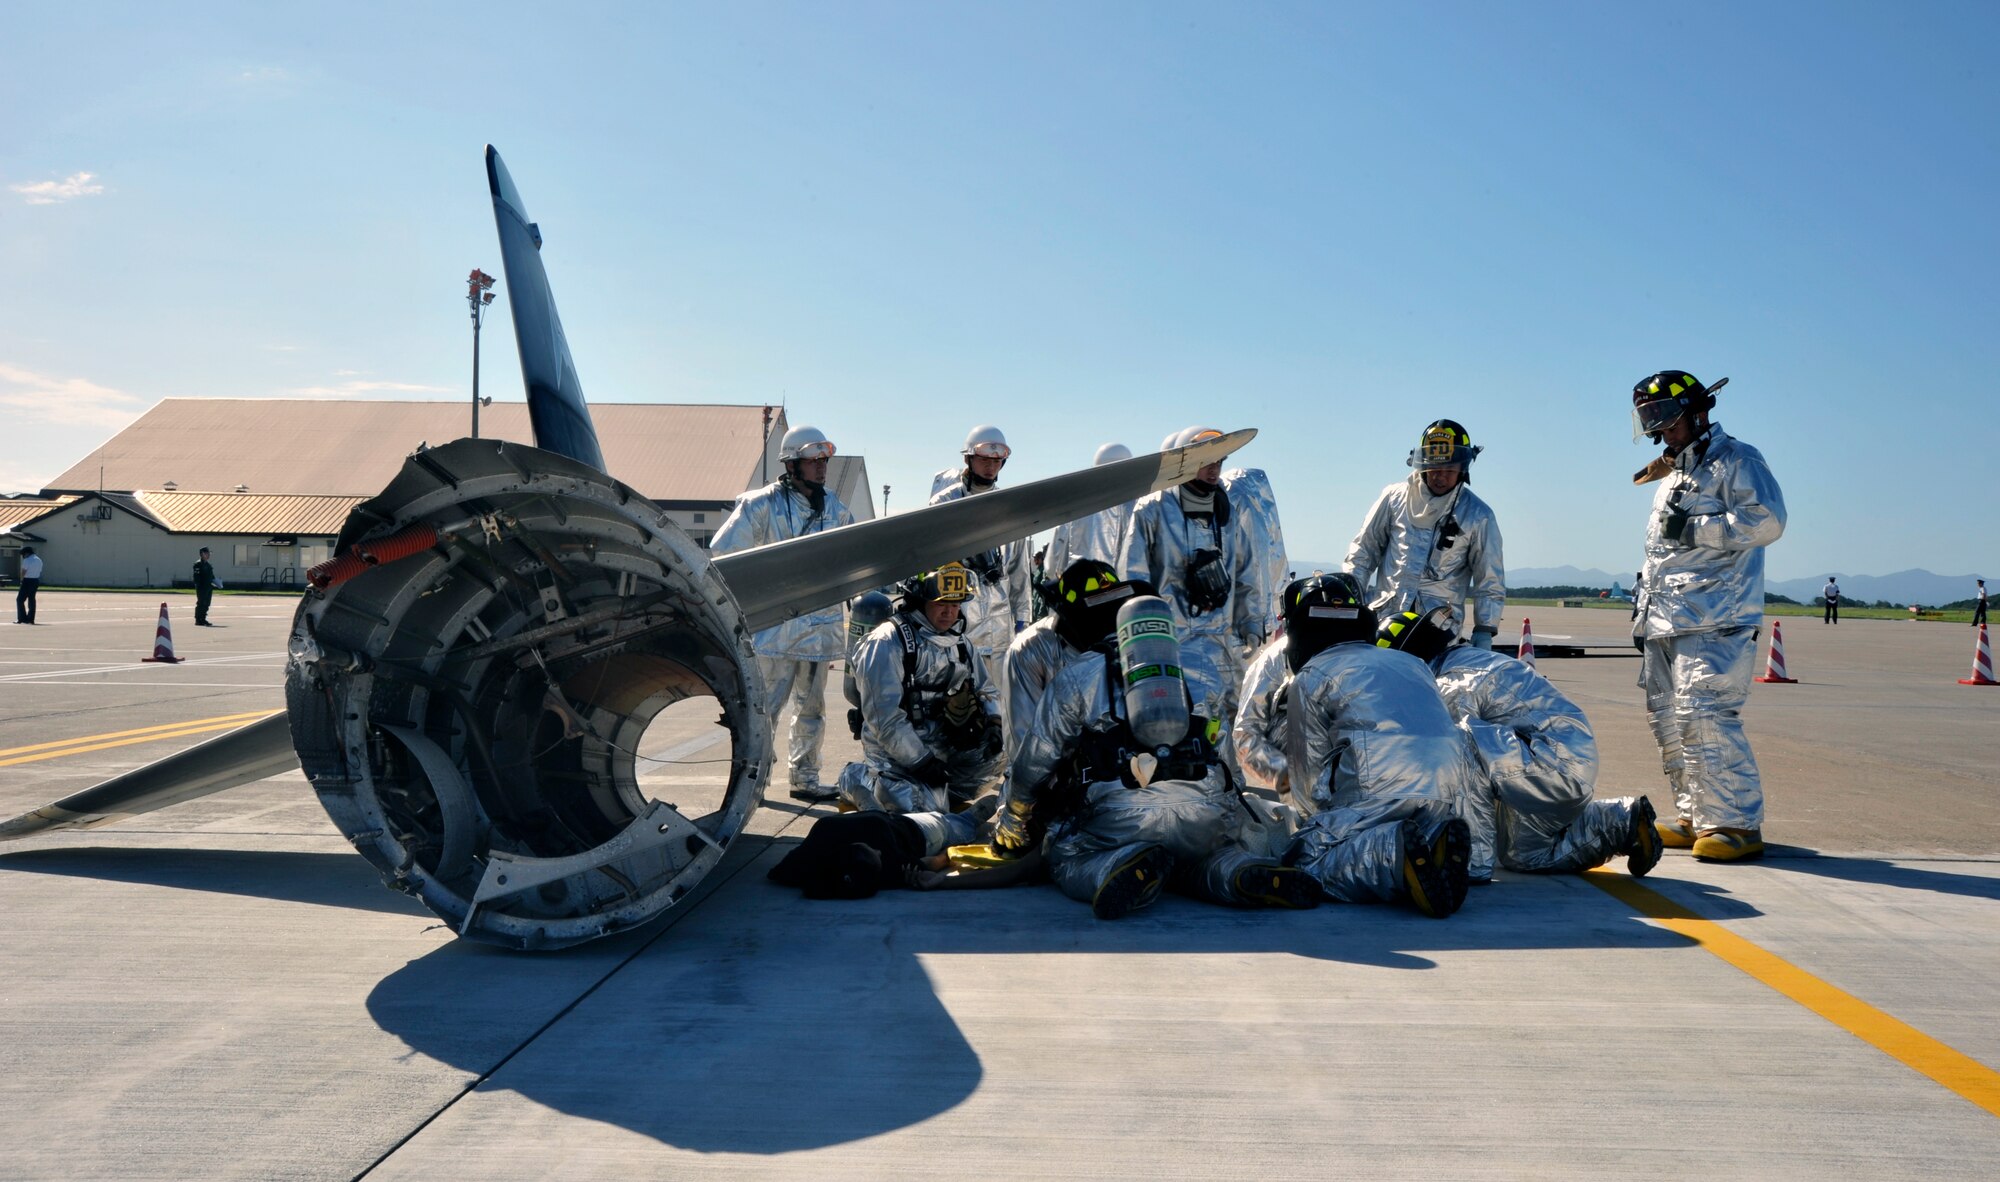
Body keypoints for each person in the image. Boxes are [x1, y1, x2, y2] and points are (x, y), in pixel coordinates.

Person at [992, 576, 1319, 919]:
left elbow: (1034, 760)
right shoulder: (1202, 670)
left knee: (1064, 857)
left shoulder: (1077, 675)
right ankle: (1237, 869)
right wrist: (1229, 823)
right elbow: (1225, 758)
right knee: (1202, 858)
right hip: (1202, 811)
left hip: (1119, 817)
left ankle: (1120, 864)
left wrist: (1014, 819)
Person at [1376, 606, 1663, 876]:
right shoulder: (1461, 661)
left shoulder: (1453, 682)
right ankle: (1621, 820)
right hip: (1552, 763)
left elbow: (1440, 755)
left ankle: (1469, 862)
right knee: (1524, 856)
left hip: (1553, 763)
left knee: (1455, 743)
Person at [1630, 369, 1787, 862]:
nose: (1661, 430)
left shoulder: (1737, 459)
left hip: (1716, 615)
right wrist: (1643, 611)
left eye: (1667, 418)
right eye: (1652, 420)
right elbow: (1660, 551)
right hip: (1665, 619)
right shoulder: (1675, 472)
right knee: (1668, 720)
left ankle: (1735, 823)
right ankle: (1695, 814)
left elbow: (1768, 520)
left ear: (1698, 412)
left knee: (1707, 716)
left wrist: (1699, 529)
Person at [1279, 574, 1477, 916]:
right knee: (1416, 835)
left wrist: (1319, 826)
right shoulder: (1413, 664)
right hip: (1445, 788)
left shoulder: (1311, 675)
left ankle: (1392, 854)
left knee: (1304, 858)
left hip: (1375, 790)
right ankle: (1429, 842)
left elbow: (1307, 774)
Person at [709, 424, 860, 802]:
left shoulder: (836, 510)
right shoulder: (761, 504)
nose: (822, 467)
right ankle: (753, 784)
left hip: (820, 632)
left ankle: (805, 778)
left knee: (812, 710)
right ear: (792, 465)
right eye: (813, 461)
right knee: (764, 712)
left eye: (824, 460)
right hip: (773, 632)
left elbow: (855, 559)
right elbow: (724, 552)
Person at [1117, 426, 1263, 761]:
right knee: (1185, 726)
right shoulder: (1153, 508)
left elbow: (1246, 573)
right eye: (1206, 461)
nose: (1215, 468)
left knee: (1226, 722)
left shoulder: (1225, 513)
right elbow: (1133, 579)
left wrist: (1252, 623)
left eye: (1219, 461)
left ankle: (1227, 789)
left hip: (1223, 643)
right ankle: (1194, 790)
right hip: (1171, 645)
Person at [836, 563, 1005, 816]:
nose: (949, 612)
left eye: (956, 604)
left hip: (942, 747)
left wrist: (994, 723)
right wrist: (921, 762)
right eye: (941, 604)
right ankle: (857, 777)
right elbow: (885, 720)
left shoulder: (960, 643)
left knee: (998, 756)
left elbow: (986, 689)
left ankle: (936, 790)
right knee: (919, 811)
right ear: (919, 601)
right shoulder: (886, 642)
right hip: (893, 754)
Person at [1345, 419, 1506, 649]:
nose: (1440, 476)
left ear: (1462, 469)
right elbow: (1363, 551)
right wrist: (1350, 602)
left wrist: (1485, 629)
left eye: (1449, 470)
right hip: (1384, 625)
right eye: (1434, 469)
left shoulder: (1479, 516)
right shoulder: (1393, 499)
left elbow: (1489, 579)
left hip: (1437, 634)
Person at [928, 426, 1032, 725]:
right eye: (985, 458)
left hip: (1000, 634)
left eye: (997, 460)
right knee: (954, 711)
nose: (991, 465)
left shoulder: (1010, 508)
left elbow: (1018, 573)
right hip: (956, 630)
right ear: (969, 459)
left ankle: (996, 769)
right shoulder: (944, 505)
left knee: (999, 713)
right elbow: (930, 569)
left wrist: (1022, 623)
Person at [1043, 443, 1137, 578]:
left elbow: (1053, 563)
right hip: (1130, 590)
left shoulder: (1077, 507)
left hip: (1084, 590)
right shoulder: (1141, 506)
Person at [15, 546, 41, 624]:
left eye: (23, 554)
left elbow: (23, 572)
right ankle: (30, 619)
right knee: (31, 600)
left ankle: (22, 618)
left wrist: (21, 580)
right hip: (35, 581)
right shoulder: (39, 560)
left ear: (27, 553)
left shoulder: (27, 560)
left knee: (20, 600)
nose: (23, 556)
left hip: (27, 581)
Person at [193, 547, 218, 626]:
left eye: (209, 553)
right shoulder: (198, 564)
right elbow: (196, 577)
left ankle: (203, 619)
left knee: (207, 603)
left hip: (209, 587)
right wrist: (199, 586)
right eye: (207, 553)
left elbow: (211, 576)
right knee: (201, 603)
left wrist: (216, 582)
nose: (209, 555)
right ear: (202, 554)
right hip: (201, 587)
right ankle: (198, 619)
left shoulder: (208, 565)